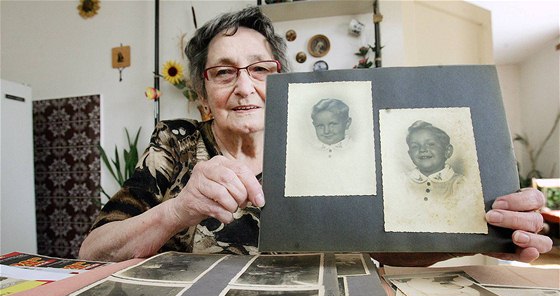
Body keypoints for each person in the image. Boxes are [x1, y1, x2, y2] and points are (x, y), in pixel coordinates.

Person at [79, 6, 552, 266]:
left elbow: (385, 246)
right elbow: (93, 251)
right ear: (203, 90)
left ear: (282, 78)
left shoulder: (328, 143)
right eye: (223, 73)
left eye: (260, 70)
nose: (244, 87)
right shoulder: (176, 142)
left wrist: (485, 231)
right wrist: (179, 207)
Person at [406, 120, 464, 202]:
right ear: (410, 154)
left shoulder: (460, 184)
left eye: (430, 144)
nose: (422, 150)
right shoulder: (402, 182)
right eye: (415, 146)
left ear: (447, 151)